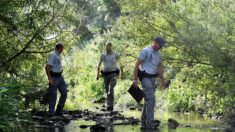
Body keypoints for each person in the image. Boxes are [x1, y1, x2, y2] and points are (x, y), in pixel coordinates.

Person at [133, 37, 168, 129]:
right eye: (160, 45)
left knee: (148, 100)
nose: (160, 47)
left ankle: (144, 119)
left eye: (161, 46)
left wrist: (162, 80)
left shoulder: (158, 54)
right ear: (155, 42)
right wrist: (135, 79)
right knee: (151, 99)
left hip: (152, 79)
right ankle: (150, 121)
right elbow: (137, 64)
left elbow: (159, 67)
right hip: (145, 78)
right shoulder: (145, 51)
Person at [45, 43, 67, 117]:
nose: (63, 50)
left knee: (64, 93)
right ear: (59, 48)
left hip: (60, 76)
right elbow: (47, 67)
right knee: (53, 95)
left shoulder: (58, 54)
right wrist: (49, 79)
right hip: (53, 77)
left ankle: (59, 110)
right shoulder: (53, 54)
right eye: (62, 48)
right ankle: (51, 112)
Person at [96, 43, 120, 111]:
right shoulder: (103, 55)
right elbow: (99, 65)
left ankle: (110, 105)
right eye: (106, 47)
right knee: (107, 90)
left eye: (108, 48)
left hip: (114, 74)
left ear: (111, 47)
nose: (107, 49)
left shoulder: (115, 54)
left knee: (110, 88)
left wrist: (122, 74)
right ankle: (109, 104)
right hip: (106, 74)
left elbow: (121, 64)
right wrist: (97, 75)